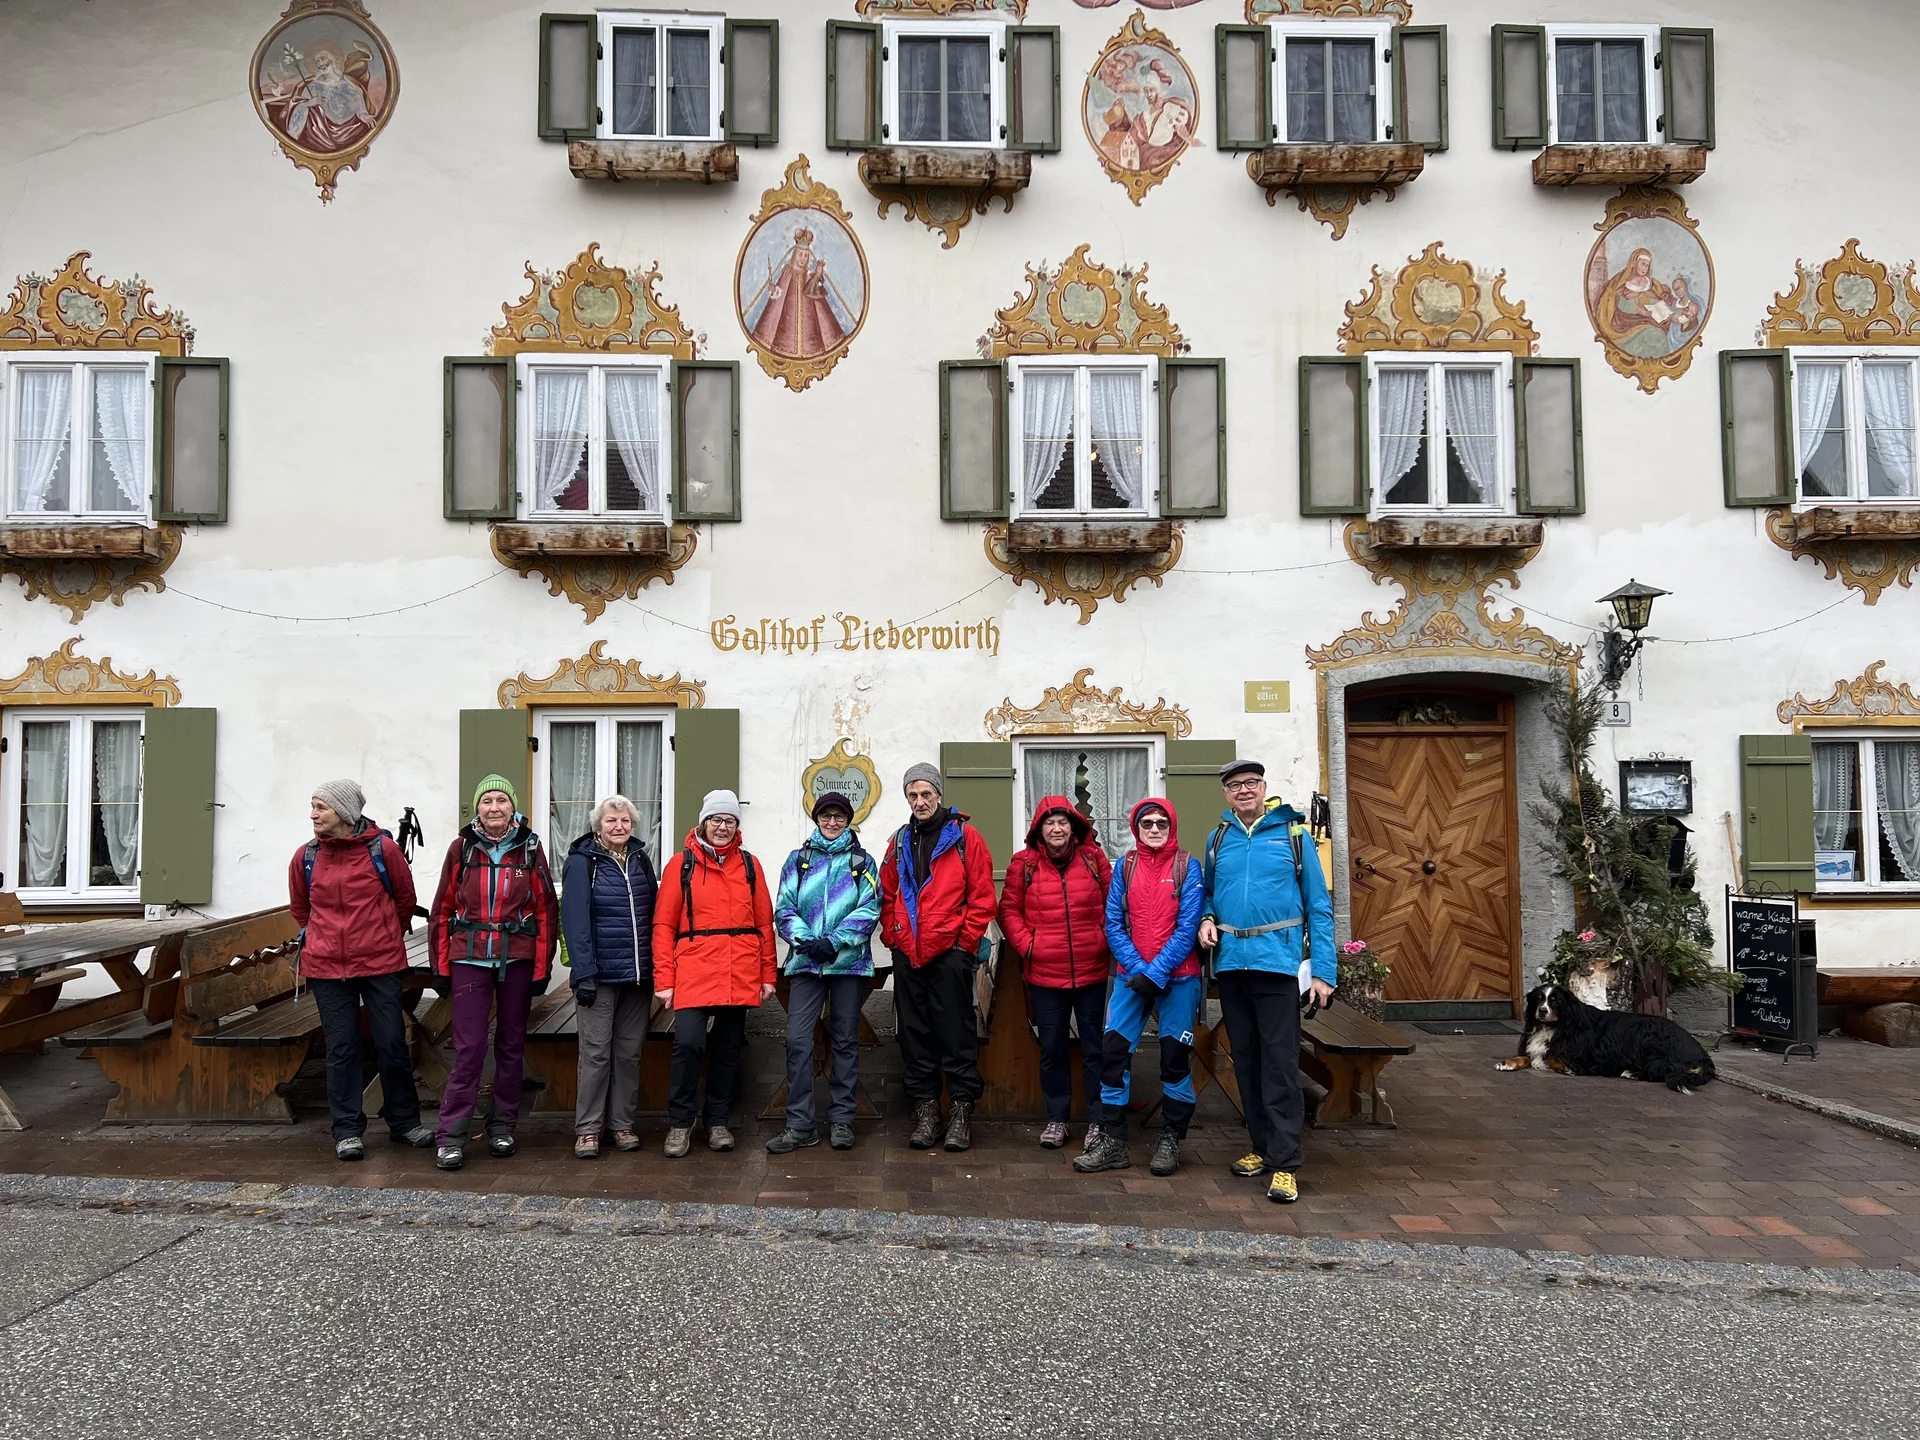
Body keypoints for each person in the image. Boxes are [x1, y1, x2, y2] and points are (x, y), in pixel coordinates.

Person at [1196, 760, 1335, 1204]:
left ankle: (1286, 1162)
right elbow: (1211, 895)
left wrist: (1324, 972)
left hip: (1278, 965)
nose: (1243, 790)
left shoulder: (1293, 836)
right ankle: (1260, 1146)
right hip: (1233, 965)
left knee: (1279, 1064)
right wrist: (1206, 918)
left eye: (1251, 783)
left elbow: (1319, 905)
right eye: (1234, 785)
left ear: (1264, 787)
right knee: (1248, 1061)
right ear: (1225, 793)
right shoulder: (1218, 839)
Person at [288, 779, 432, 1162]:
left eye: (322, 807)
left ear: (345, 813)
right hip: (326, 966)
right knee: (341, 1047)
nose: (314, 814)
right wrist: (325, 941)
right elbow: (302, 909)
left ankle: (404, 1123)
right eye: (313, 805)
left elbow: (405, 900)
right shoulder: (305, 856)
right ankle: (348, 1130)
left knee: (391, 1042)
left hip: (380, 962)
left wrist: (382, 935)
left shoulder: (382, 849)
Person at [425, 775, 558, 1171]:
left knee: (511, 1044)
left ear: (513, 807)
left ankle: (503, 1124)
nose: (494, 807)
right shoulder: (462, 849)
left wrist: (541, 968)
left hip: (516, 957)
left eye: (502, 799)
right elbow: (442, 910)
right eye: (487, 801)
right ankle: (450, 1134)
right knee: (469, 1047)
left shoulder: (530, 849)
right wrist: (440, 966)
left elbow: (547, 912)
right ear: (477, 808)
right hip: (470, 957)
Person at [1076, 799, 1204, 1176]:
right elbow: (1112, 921)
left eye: (1161, 822)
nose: (1153, 829)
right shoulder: (1125, 867)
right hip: (1132, 978)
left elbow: (1187, 928)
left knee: (1173, 1059)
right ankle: (1114, 1143)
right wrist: (1137, 970)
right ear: (1136, 828)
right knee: (1113, 1054)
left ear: (1172, 825)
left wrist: (1157, 972)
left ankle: (1171, 1138)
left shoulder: (1187, 866)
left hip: (1178, 978)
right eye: (1146, 823)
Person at [878, 762, 997, 1152]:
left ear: (939, 794)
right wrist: (893, 934)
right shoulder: (898, 841)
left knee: (956, 1034)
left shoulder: (965, 837)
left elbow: (982, 898)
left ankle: (961, 1112)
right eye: (912, 795)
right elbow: (888, 893)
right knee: (914, 1035)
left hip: (950, 954)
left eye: (926, 793)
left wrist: (964, 946)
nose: (919, 801)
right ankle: (927, 1111)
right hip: (909, 954)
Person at [651, 790, 776, 1158]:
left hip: (739, 969)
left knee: (727, 1050)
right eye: (716, 820)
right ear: (704, 822)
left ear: (737, 826)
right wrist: (664, 979)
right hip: (694, 968)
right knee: (688, 1044)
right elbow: (662, 925)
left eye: (730, 821)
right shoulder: (681, 864)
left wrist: (768, 973)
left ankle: (718, 1119)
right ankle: (680, 1122)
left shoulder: (750, 866)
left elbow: (763, 924)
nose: (723, 827)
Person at [767, 791, 882, 1154]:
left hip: (848, 964)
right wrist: (806, 941)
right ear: (816, 819)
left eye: (839, 816)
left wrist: (834, 941)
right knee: (799, 1041)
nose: (832, 822)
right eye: (825, 816)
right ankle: (800, 1124)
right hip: (804, 964)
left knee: (845, 1040)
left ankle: (843, 1120)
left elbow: (870, 907)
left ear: (848, 820)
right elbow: (783, 908)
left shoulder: (862, 861)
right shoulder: (798, 860)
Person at [998, 795, 1114, 1152]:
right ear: (1039, 829)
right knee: (1052, 1049)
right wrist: (1029, 945)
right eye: (1050, 823)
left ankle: (1098, 1120)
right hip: (1045, 975)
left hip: (1092, 971)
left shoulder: (1094, 859)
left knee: (1097, 1049)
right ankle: (1057, 1118)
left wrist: (1101, 939)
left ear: (1074, 827)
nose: (1057, 829)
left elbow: (1115, 905)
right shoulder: (1024, 864)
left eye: (1063, 822)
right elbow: (1008, 911)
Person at [561, 795, 659, 1160]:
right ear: (597, 826)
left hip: (637, 976)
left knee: (629, 1053)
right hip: (598, 977)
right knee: (597, 1054)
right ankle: (587, 1130)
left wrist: (655, 967)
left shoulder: (640, 860)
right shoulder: (582, 863)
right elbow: (574, 920)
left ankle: (622, 1125)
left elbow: (652, 913)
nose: (619, 827)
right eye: (611, 821)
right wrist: (583, 973)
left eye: (625, 821)